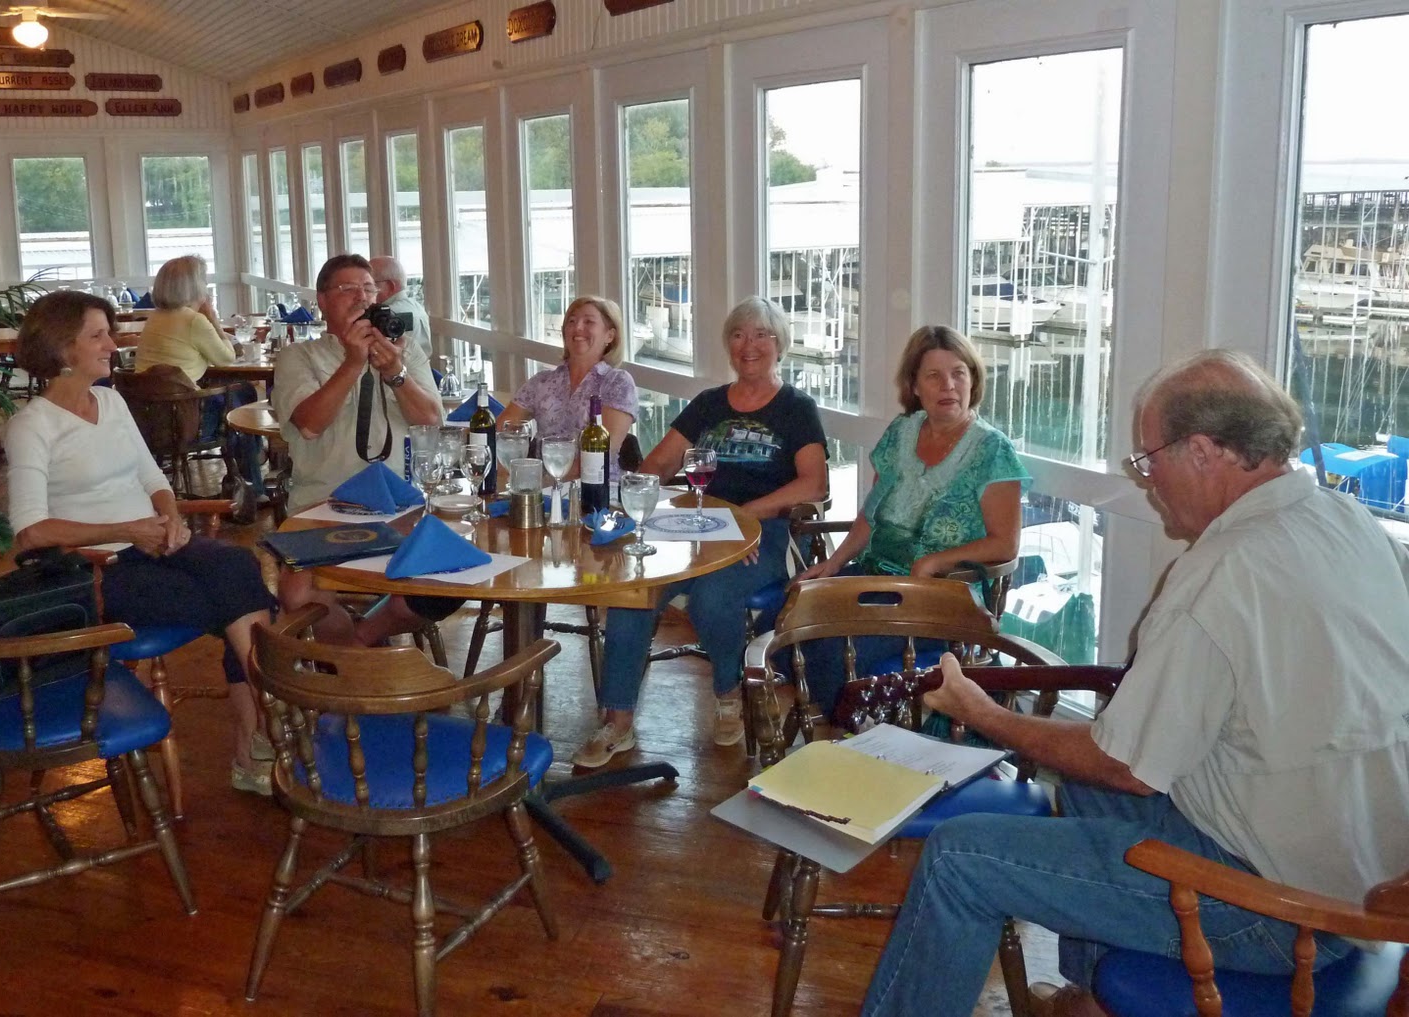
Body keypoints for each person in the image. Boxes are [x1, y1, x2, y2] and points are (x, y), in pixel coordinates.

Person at [860, 350, 1409, 1017]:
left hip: (1283, 908)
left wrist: (982, 712)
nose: (1149, 483)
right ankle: (1092, 999)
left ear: (1202, 451)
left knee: (959, 857)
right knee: (1085, 787)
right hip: (1366, 871)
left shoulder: (1221, 574)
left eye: (1150, 460)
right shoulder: (1350, 522)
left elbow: (1126, 764)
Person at [5, 290, 279, 796]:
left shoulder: (111, 401)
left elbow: (153, 477)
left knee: (239, 567)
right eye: (98, 336)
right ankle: (263, 732)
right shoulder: (32, 425)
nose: (113, 345)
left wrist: (170, 518)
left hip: (154, 543)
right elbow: (30, 532)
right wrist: (129, 530)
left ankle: (260, 733)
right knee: (242, 603)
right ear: (63, 348)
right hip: (99, 570)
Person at [572, 296, 829, 768]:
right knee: (633, 591)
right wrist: (637, 499)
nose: (749, 345)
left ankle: (729, 693)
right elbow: (659, 464)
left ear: (780, 345)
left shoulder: (796, 408)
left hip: (761, 534)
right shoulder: (709, 404)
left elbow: (815, 484)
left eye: (761, 335)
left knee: (713, 597)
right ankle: (617, 719)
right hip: (690, 528)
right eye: (738, 335)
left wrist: (743, 517)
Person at [792, 324, 1029, 709]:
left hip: (945, 599)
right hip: (875, 578)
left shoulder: (992, 451)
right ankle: (847, 722)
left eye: (958, 373)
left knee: (834, 653)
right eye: (934, 375)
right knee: (787, 619)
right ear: (915, 386)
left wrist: (936, 561)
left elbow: (1005, 543)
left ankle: (853, 731)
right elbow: (872, 514)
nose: (948, 386)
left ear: (973, 380)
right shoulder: (902, 431)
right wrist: (833, 564)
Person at [271, 253, 452, 645]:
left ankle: (359, 643)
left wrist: (396, 373)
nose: (361, 298)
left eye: (369, 289)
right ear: (322, 300)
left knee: (442, 581)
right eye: (348, 289)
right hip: (322, 507)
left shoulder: (403, 351)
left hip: (400, 507)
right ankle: (357, 659)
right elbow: (310, 424)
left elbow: (431, 422)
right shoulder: (298, 357)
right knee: (297, 595)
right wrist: (352, 364)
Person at [132, 254, 263, 521]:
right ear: (194, 286)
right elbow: (227, 357)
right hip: (187, 421)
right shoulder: (194, 321)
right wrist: (212, 317)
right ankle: (252, 480)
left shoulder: (155, 318)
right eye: (203, 280)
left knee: (241, 394)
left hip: (150, 419)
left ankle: (251, 461)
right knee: (244, 399)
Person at [495, 295, 638, 480]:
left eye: (588, 322)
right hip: (540, 487)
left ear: (609, 335)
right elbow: (501, 431)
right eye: (572, 321)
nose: (578, 328)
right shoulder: (542, 381)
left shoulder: (617, 383)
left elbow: (601, 453)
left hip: (595, 488)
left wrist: (543, 483)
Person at [368, 255, 431, 354]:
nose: (364, 291)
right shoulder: (417, 306)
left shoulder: (388, 315)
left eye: (369, 285)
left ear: (390, 286)